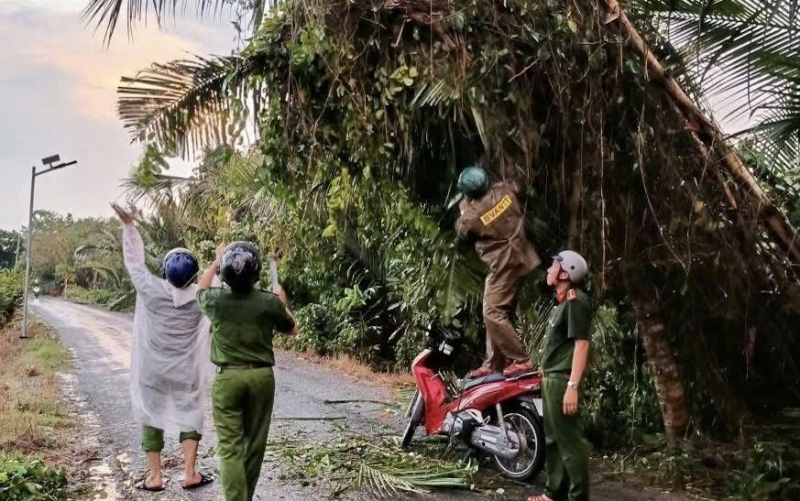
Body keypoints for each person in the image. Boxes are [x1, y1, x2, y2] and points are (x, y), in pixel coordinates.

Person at [111, 203, 214, 492]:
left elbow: (134, 262)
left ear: (165, 272)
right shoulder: (201, 298)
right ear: (193, 276)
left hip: (152, 369)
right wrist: (218, 261)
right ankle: (190, 473)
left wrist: (129, 226)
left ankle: (155, 477)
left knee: (150, 414)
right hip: (185, 371)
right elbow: (209, 284)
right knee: (191, 413)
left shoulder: (150, 289)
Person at [197, 241, 298, 501]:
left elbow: (201, 288)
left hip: (227, 379)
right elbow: (293, 329)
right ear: (256, 271)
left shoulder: (216, 301)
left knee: (229, 448)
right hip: (261, 378)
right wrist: (282, 302)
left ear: (226, 273)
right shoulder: (268, 302)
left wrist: (217, 259)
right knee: (254, 445)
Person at [454, 166, 541, 377]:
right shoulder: (505, 191)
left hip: (504, 265)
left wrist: (464, 209)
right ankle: (493, 363)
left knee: (492, 312)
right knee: (498, 311)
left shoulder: (472, 216)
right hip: (522, 257)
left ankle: (522, 360)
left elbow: (462, 231)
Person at [528, 250, 592, 501]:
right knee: (554, 440)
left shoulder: (576, 302)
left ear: (566, 274)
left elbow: (581, 344)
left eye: (553, 266)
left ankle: (577, 498)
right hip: (551, 378)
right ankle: (553, 494)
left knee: (570, 443)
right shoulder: (563, 304)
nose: (548, 270)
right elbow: (560, 346)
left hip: (562, 381)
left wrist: (572, 386)